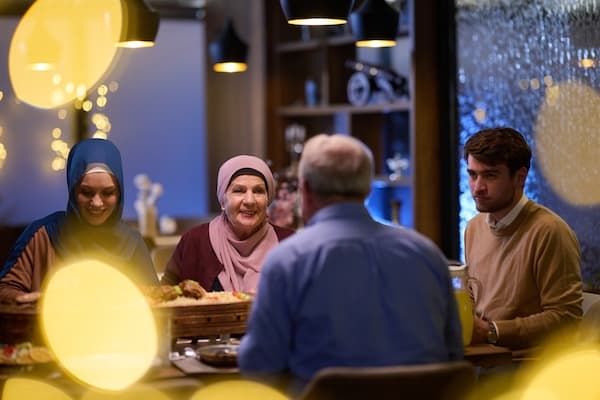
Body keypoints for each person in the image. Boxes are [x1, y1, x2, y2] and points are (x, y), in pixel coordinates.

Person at [238, 134, 463, 390]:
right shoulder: (427, 254)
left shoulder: (287, 261)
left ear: (305, 189)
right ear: (367, 189)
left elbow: (259, 368)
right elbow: (454, 353)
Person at [463, 127, 582, 349]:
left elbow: (566, 319)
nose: (477, 188)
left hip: (524, 367)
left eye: (490, 175)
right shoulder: (473, 228)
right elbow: (473, 300)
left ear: (519, 177)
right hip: (483, 357)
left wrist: (493, 332)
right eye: (472, 174)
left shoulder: (550, 231)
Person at [0, 138, 158, 304]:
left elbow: (155, 303)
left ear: (119, 194)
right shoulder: (43, 234)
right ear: (73, 190)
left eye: (108, 193)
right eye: (86, 192)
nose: (97, 203)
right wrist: (35, 301)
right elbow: (5, 289)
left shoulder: (132, 242)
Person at [160, 155, 295, 293]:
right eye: (238, 191)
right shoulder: (194, 242)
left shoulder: (290, 244)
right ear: (223, 201)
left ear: (268, 199)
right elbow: (165, 297)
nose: (249, 200)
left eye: (258, 191)